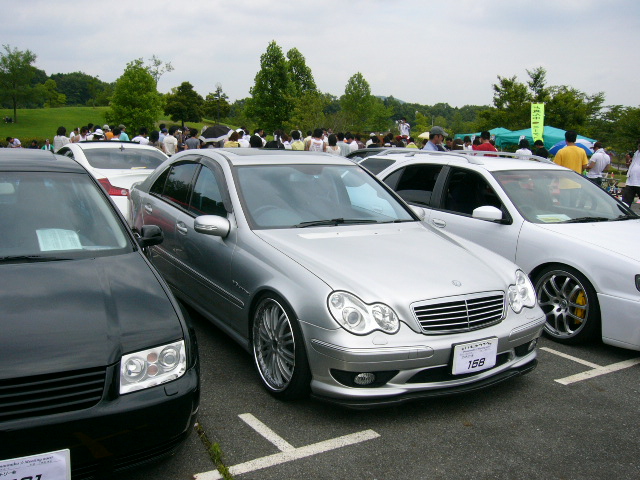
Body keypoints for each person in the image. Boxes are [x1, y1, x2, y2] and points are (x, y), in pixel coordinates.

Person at [622, 140, 640, 207]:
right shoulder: (636, 153)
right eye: (639, 145)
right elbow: (629, 165)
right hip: (631, 181)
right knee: (625, 203)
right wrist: (627, 160)